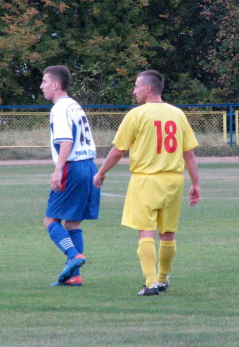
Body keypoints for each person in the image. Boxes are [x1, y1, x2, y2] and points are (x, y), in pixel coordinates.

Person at [93, 70, 201, 296]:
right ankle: (163, 278)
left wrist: (101, 172)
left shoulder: (136, 115)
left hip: (146, 180)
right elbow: (188, 153)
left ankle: (151, 281)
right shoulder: (177, 114)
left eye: (136, 86)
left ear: (148, 88)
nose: (134, 91)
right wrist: (195, 184)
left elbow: (118, 151)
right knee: (168, 234)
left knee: (146, 232)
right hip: (173, 181)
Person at [40, 65, 100, 287]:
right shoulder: (75, 105)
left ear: (56, 84)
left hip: (72, 168)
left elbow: (66, 140)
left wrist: (58, 169)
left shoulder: (59, 108)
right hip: (88, 166)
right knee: (73, 223)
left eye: (44, 81)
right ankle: (74, 275)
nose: (41, 86)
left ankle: (74, 255)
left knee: (50, 221)